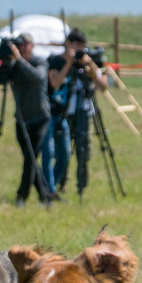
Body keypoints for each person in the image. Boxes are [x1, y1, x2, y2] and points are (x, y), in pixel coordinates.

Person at [43, 28, 106, 196]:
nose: (79, 49)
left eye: (82, 46)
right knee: (62, 151)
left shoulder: (86, 63)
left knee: (84, 149)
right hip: (64, 111)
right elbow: (55, 83)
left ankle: (82, 184)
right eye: (76, 45)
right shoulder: (56, 61)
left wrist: (89, 64)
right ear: (67, 43)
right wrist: (69, 63)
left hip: (84, 111)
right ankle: (60, 183)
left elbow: (102, 85)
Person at [7, 33, 51, 206]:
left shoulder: (40, 62)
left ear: (32, 46)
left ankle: (21, 197)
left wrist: (18, 60)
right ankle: (45, 196)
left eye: (26, 45)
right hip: (22, 119)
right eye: (20, 45)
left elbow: (37, 77)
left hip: (40, 117)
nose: (22, 48)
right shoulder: (14, 65)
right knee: (29, 158)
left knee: (30, 158)